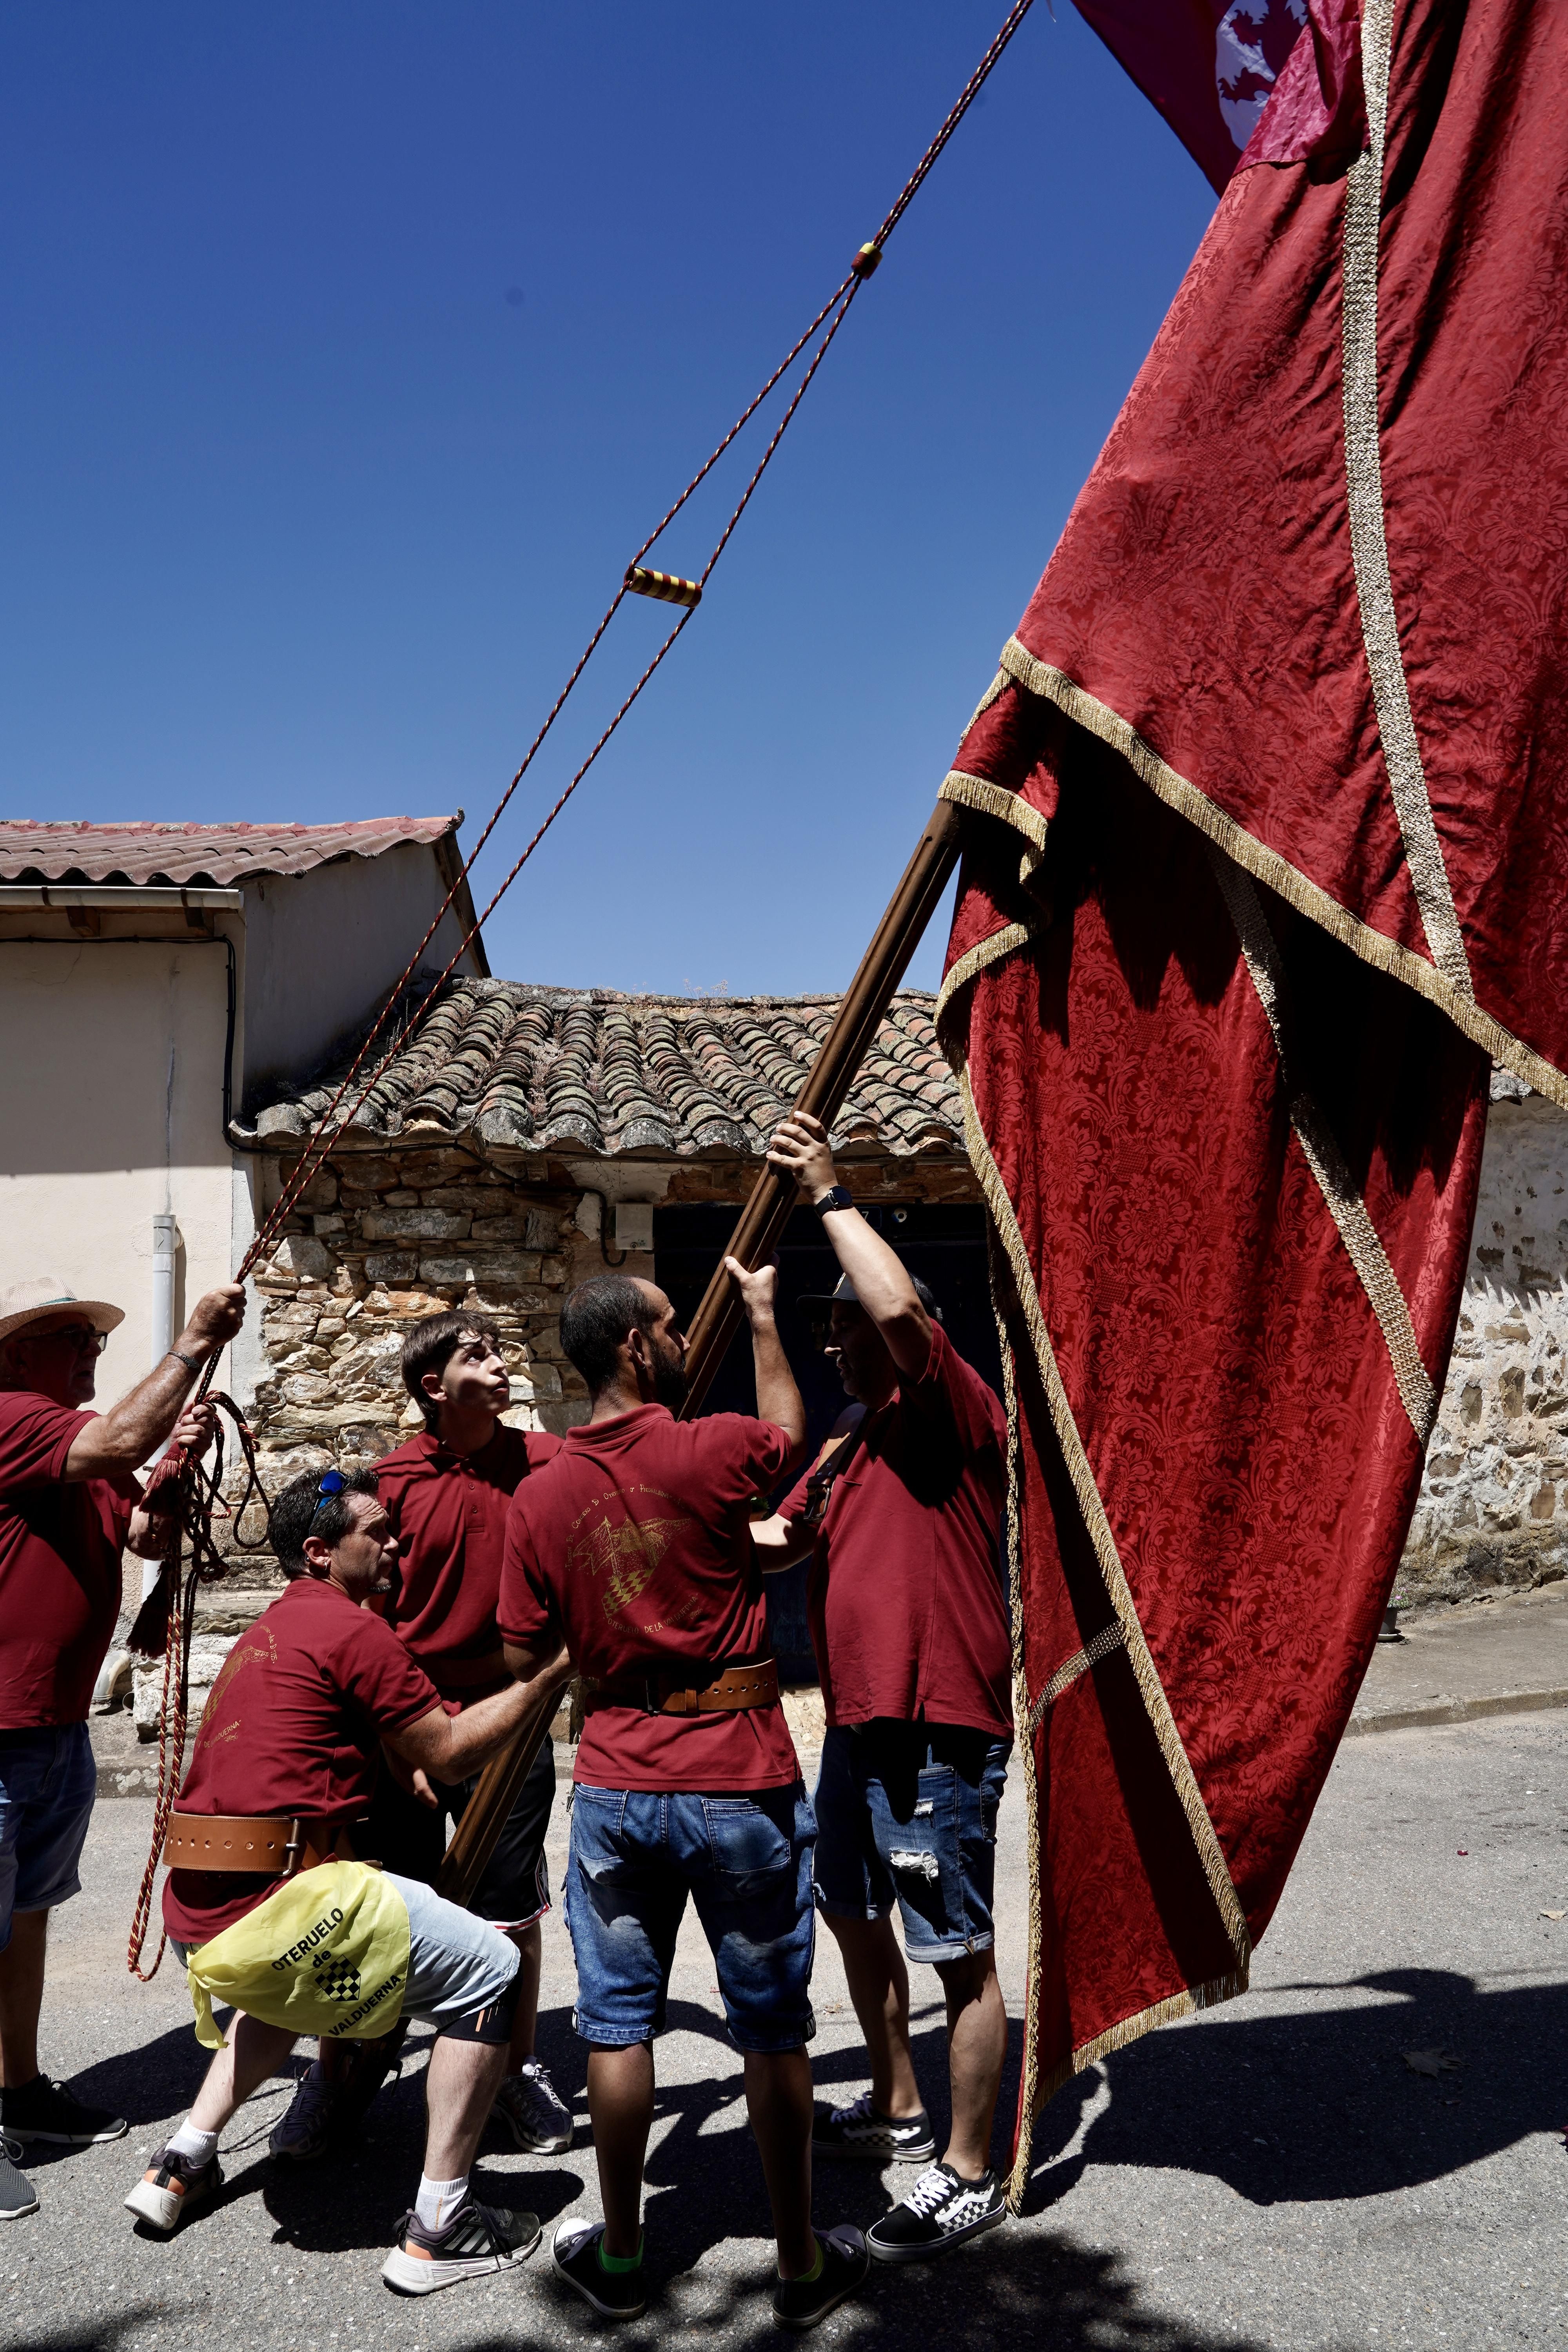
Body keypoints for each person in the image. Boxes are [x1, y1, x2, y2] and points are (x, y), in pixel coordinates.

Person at [498, 1266, 871, 2331]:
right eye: (667, 1325)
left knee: (617, 2030)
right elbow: (787, 1436)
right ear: (631, 1348)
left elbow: (525, 1646)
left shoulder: (542, 1492)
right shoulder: (710, 1449)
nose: (679, 1338)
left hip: (618, 1779)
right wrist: (762, 1313)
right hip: (736, 1778)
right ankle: (801, 2264)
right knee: (771, 2030)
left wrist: (614, 1621)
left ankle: (621, 2256)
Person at [126, 1464, 563, 2298]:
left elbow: (318, 1736)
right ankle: (440, 2224)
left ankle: (181, 2157)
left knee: (278, 1984)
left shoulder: (270, 1631)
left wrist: (397, 1772)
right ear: (322, 1553)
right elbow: (448, 1748)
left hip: (203, 1920)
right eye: (378, 1533)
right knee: (494, 1969)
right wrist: (548, 1675)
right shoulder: (355, 1629)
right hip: (282, 1907)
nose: (396, 1542)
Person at [752, 1111, 1013, 2263]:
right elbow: (776, 1541)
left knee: (954, 1942)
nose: (836, 1340)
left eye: (839, 1321)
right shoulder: (851, 1434)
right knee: (850, 1908)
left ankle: (969, 2171)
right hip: (859, 1720)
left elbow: (902, 1308)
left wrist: (826, 1188)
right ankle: (899, 2101)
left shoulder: (949, 1403)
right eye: (825, 1329)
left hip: (938, 1723)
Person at [268, 1310, 573, 2164]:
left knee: (509, 1907)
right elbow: (338, 1598)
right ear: (432, 1387)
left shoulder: (547, 1463)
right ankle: (338, 2073)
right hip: (400, 1723)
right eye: (476, 1354)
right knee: (372, 1909)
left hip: (509, 1721)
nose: (500, 1363)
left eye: (499, 1349)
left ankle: (513, 2066)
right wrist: (393, 1743)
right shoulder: (382, 1483)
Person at [0, 1273, 245, 2223]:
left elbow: (137, 1524)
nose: (91, 1355)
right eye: (73, 1339)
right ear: (20, 1354)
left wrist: (174, 1473)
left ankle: (17, 2092)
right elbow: (120, 1440)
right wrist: (191, 1341)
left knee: (26, 1918)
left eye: (96, 1342)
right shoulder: (17, 1415)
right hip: (6, 1726)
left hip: (52, 1725)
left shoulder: (71, 1446)